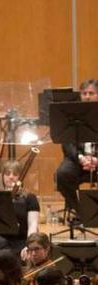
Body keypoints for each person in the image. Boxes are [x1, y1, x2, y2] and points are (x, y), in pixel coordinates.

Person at [54, 79, 98, 218]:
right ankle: (81, 212)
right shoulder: (72, 114)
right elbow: (66, 142)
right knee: (61, 175)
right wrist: (80, 158)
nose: (87, 96)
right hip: (77, 159)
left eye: (91, 93)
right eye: (84, 93)